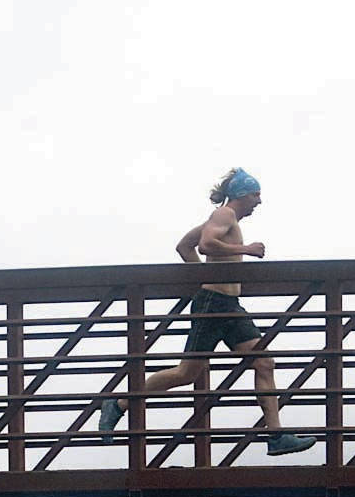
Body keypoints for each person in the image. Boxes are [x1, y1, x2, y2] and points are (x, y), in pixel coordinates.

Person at [99, 168, 316, 456]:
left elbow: (184, 246)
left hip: (228, 306)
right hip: (213, 304)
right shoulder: (224, 215)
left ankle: (275, 436)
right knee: (186, 373)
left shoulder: (220, 218)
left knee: (263, 363)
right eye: (256, 195)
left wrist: (203, 274)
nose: (259, 202)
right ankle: (119, 404)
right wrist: (246, 250)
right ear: (242, 194)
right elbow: (204, 245)